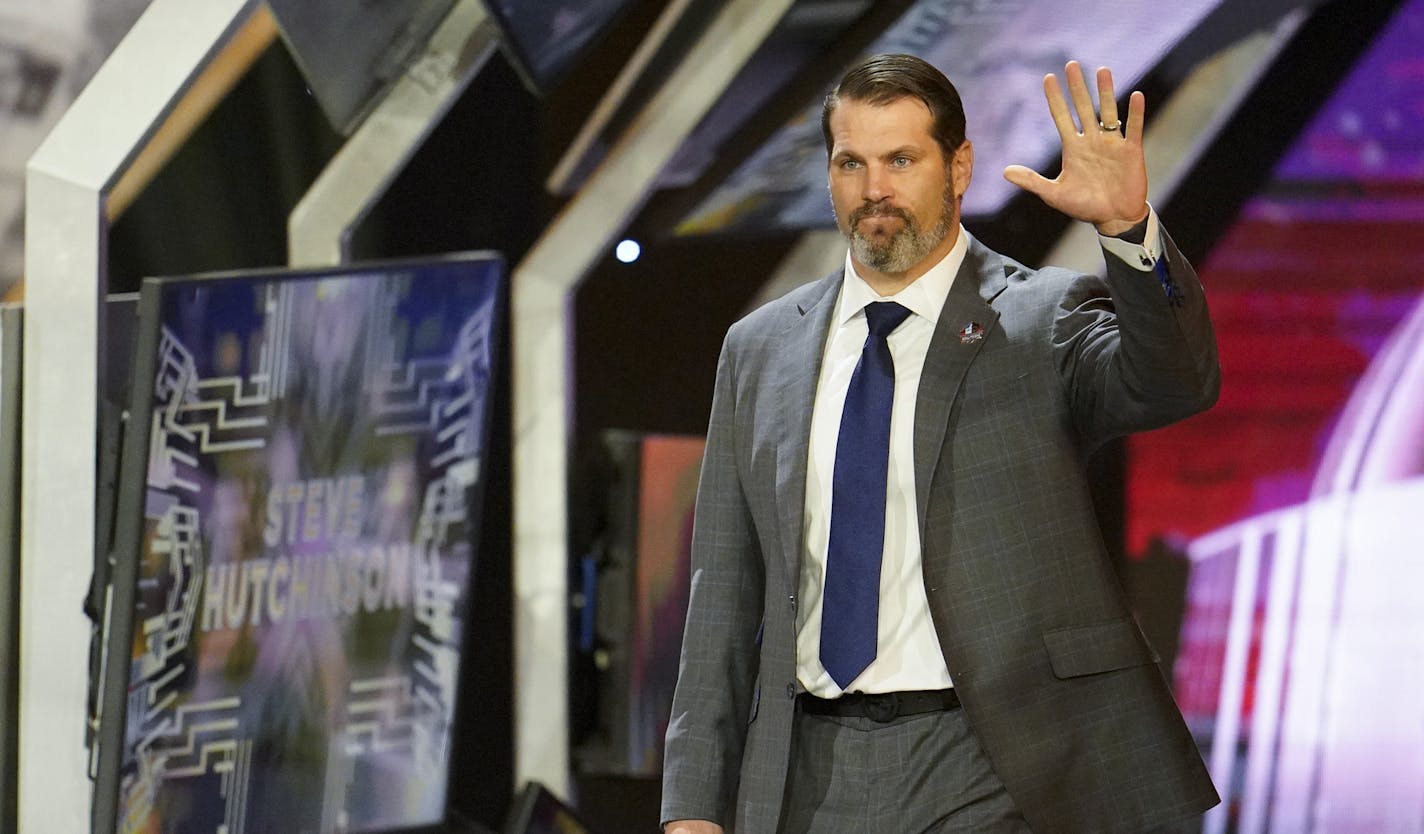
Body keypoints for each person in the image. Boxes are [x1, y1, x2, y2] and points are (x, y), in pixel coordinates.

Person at [660, 53, 1221, 834]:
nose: (873, 189)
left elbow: (1175, 380)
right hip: (806, 769)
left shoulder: (1039, 320)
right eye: (850, 162)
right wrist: (691, 808)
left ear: (959, 167)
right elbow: (722, 591)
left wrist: (1127, 231)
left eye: (901, 160)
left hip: (995, 758)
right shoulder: (759, 350)